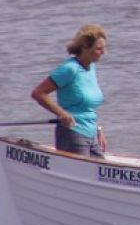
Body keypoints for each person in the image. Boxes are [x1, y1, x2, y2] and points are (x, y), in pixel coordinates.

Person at [30, 24, 108, 157]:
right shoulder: (69, 69)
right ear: (85, 47)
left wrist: (98, 129)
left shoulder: (91, 68)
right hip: (72, 134)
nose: (104, 52)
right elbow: (38, 93)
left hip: (91, 134)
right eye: (99, 49)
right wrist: (61, 113)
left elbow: (87, 106)